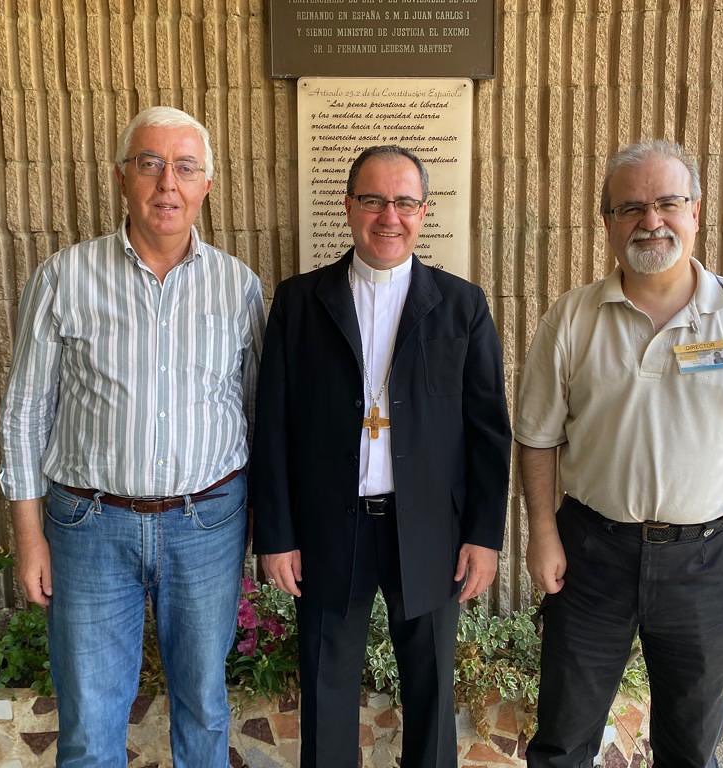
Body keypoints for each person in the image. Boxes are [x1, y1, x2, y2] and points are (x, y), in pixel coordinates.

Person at [516, 140, 723, 768]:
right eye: (629, 208)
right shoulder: (572, 318)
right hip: (590, 556)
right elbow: (538, 437)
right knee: (562, 740)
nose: (650, 221)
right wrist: (542, 534)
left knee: (689, 746)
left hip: (704, 562)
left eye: (667, 203)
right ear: (606, 221)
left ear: (697, 211)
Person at [0, 106, 265, 767]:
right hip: (90, 526)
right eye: (150, 164)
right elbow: (26, 409)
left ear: (208, 184)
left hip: (208, 524)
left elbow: (259, 412)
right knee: (89, 724)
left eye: (184, 167)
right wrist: (29, 535)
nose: (166, 184)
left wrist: (263, 523)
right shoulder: (63, 278)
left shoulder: (239, 286)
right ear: (123, 177)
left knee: (203, 709)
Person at [251, 145, 512, 768]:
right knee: (325, 686)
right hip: (326, 528)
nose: (388, 216)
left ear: (424, 212)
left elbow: (488, 431)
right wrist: (277, 535)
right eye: (372, 200)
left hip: (428, 530)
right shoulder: (299, 302)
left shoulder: (462, 306)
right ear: (348, 207)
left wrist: (484, 534)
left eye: (404, 202)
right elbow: (274, 426)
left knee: (429, 687)